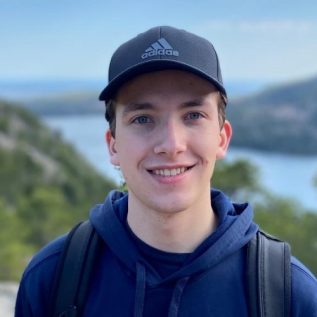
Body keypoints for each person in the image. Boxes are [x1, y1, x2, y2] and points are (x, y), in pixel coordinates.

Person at [15, 26, 317, 316]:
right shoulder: (54, 279)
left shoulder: (289, 294)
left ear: (221, 138)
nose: (171, 145)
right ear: (113, 145)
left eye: (193, 115)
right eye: (143, 119)